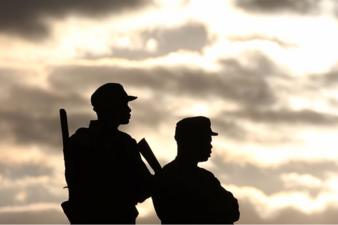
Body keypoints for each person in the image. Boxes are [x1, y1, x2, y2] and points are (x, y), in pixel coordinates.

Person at [62, 83, 153, 224]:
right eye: (123, 104)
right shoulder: (124, 143)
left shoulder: (79, 140)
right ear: (110, 107)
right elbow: (141, 188)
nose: (129, 109)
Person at [152, 116, 240, 224]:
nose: (210, 146)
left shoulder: (204, 177)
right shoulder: (169, 176)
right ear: (193, 141)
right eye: (206, 140)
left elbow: (233, 210)